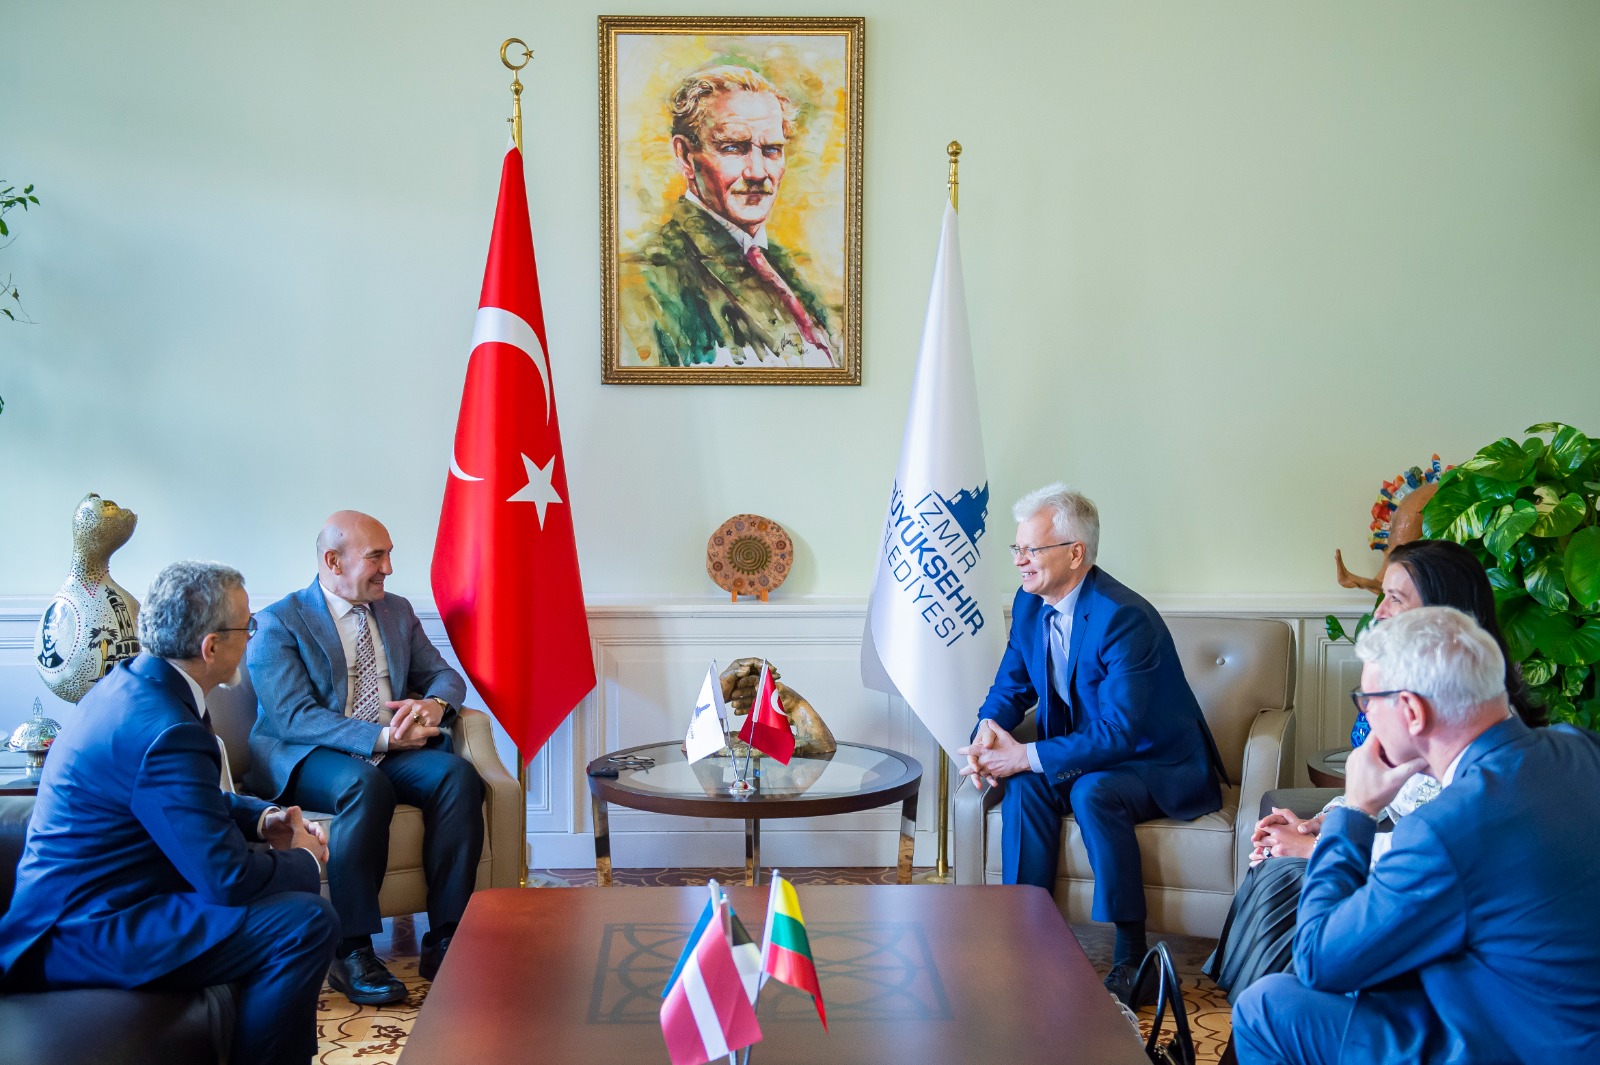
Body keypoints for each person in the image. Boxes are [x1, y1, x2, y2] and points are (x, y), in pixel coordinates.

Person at [0, 561, 336, 1065]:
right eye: (247, 626)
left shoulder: (136, 684)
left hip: (95, 909)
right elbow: (227, 880)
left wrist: (259, 817)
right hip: (83, 932)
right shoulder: (165, 726)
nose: (252, 636)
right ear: (211, 647)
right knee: (306, 921)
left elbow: (175, 797)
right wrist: (305, 860)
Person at [1232, 607, 1600, 1064]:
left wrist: (1356, 810)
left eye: (1367, 700)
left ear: (1411, 710)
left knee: (1267, 1007)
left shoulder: (1446, 826)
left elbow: (1317, 962)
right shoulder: (1581, 746)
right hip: (1551, 1016)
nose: (1366, 714)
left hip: (1515, 1045)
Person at [1203, 539, 1543, 1002]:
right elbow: (1385, 785)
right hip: (1406, 857)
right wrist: (1322, 821)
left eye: (1395, 599)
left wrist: (1314, 846)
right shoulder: (1413, 689)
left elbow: (1438, 846)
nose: (1379, 612)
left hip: (1432, 898)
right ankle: (1261, 1013)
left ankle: (1275, 1011)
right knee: (1275, 868)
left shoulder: (1472, 724)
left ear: (1442, 613)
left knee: (1286, 883)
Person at [957, 484, 1225, 1006]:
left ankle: (1132, 958)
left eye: (1032, 549)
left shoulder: (1123, 617)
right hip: (1088, 754)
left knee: (1093, 791)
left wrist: (1025, 754)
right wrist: (988, 731)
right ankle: (1025, 934)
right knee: (1025, 787)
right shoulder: (1030, 603)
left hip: (1155, 761)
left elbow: (1121, 732)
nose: (1019, 561)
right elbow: (1012, 686)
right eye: (1017, 549)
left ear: (1075, 553)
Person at [247, 511, 483, 1005]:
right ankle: (351, 950)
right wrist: (380, 738)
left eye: (389, 555)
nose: (389, 569)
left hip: (387, 748)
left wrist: (432, 705)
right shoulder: (278, 622)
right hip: (310, 754)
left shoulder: (396, 611)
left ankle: (446, 937)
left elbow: (444, 676)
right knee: (364, 785)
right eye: (377, 557)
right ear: (333, 561)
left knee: (458, 777)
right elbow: (292, 716)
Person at [617, 64, 840, 369]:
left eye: (772, 149)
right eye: (733, 147)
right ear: (685, 156)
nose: (758, 172)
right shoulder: (643, 282)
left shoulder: (789, 268)